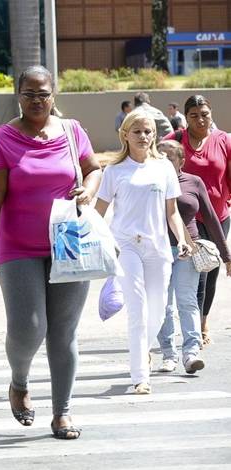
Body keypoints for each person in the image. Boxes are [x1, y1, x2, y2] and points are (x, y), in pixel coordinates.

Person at [0, 65, 102, 439]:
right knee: (29, 328)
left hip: (67, 242)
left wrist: (90, 189)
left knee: (63, 332)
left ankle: (62, 413)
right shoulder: (2, 139)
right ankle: (19, 381)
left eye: (43, 93)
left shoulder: (71, 130)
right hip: (18, 246)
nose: (36, 100)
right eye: (29, 94)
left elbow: (93, 169)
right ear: (18, 95)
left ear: (54, 95)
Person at [95, 110, 190, 395]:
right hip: (126, 246)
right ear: (125, 134)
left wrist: (182, 239)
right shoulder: (113, 171)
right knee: (137, 309)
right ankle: (140, 376)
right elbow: (98, 213)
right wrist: (103, 242)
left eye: (148, 132)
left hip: (158, 247)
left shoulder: (164, 169)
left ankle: (143, 351)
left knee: (158, 311)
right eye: (137, 131)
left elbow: (171, 212)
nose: (144, 137)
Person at [155, 140, 231, 375]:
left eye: (169, 158)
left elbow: (210, 217)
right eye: (159, 157)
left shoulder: (193, 182)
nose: (164, 162)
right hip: (157, 251)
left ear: (181, 161)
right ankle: (168, 354)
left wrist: (226, 256)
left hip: (187, 249)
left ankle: (191, 353)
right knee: (163, 305)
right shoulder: (150, 183)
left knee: (187, 301)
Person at [163, 95, 231, 345]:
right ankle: (191, 328)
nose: (200, 119)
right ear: (186, 117)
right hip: (186, 218)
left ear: (211, 113)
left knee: (209, 271)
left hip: (217, 215)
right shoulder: (174, 141)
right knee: (195, 273)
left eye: (205, 114)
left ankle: (203, 319)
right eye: (194, 115)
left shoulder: (224, 140)